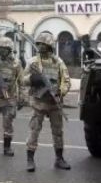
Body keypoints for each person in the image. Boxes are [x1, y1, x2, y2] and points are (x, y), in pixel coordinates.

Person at [23, 33, 71, 172]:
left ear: (49, 46)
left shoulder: (58, 62)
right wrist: (32, 79)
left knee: (58, 132)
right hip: (39, 102)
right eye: (39, 44)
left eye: (43, 44)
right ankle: (30, 159)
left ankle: (59, 159)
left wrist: (60, 91)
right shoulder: (33, 62)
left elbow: (66, 80)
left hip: (54, 102)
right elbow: (22, 79)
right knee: (34, 131)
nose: (40, 46)